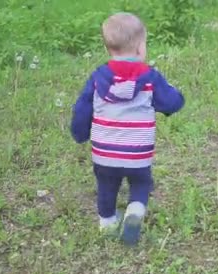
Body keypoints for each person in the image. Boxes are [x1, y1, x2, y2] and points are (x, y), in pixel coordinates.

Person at [70, 12, 185, 246]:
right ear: (141, 47)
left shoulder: (98, 78)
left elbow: (82, 107)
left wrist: (80, 133)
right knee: (141, 183)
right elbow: (171, 102)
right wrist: (177, 95)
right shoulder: (150, 77)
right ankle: (135, 209)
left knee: (106, 185)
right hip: (138, 152)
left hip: (105, 152)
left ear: (107, 48)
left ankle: (107, 224)